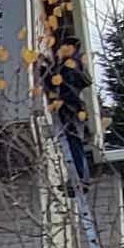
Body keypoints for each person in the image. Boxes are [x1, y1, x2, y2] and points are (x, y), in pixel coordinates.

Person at [47, 42, 93, 183]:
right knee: (75, 142)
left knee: (73, 142)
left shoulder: (70, 67)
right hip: (76, 110)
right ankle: (82, 178)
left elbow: (57, 83)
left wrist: (45, 68)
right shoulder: (76, 66)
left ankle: (81, 178)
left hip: (71, 109)